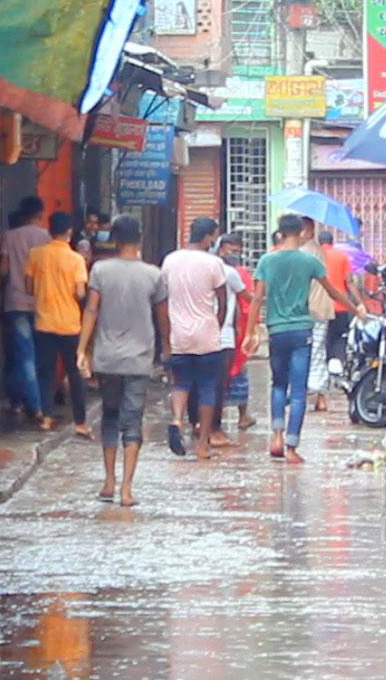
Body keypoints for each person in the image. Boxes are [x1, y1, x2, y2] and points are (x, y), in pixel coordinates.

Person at [78, 215, 168, 507]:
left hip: (108, 358)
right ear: (139, 239)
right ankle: (127, 489)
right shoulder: (153, 275)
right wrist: (166, 349)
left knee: (110, 416)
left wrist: (83, 349)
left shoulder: (100, 270)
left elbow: (91, 310)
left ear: (113, 239)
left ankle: (108, 481)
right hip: (139, 359)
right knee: (133, 421)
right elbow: (163, 318)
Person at [250, 214, 344, 463]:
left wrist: (252, 331)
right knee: (299, 389)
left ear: (280, 234)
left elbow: (257, 298)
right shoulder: (309, 260)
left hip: (276, 330)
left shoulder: (267, 261)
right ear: (301, 232)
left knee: (278, 384)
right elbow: (332, 290)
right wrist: (356, 309)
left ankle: (277, 436)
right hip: (302, 329)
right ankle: (292, 447)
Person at [160, 217, 243, 461]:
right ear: (208, 238)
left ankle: (176, 419)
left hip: (179, 333)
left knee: (181, 382)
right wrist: (216, 325)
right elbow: (223, 300)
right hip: (206, 333)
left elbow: (163, 298)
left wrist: (166, 336)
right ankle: (203, 444)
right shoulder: (213, 263)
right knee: (208, 386)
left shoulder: (170, 260)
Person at [26, 210, 91, 436]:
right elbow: (80, 293)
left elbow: (28, 287)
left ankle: (47, 416)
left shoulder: (36, 255)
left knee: (45, 372)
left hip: (44, 322)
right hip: (70, 325)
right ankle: (80, 422)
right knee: (75, 373)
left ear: (49, 230)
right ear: (70, 232)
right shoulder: (76, 260)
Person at [0, 196, 50, 423]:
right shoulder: (46, 237)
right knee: (34, 355)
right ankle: (36, 406)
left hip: (15, 302)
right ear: (40, 214)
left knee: (21, 354)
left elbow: (4, 270)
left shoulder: (9, 237)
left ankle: (22, 402)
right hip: (41, 304)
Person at [304, 224, 360, 410]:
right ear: (332, 242)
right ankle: (330, 375)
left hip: (314, 308)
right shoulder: (341, 256)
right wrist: (359, 305)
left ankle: (311, 390)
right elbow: (349, 283)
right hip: (339, 307)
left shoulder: (309, 255)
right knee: (336, 342)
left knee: (316, 348)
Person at [216, 234, 257, 435]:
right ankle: (240, 416)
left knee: (225, 375)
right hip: (231, 331)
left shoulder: (235, 272)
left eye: (237, 251)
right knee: (233, 373)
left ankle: (223, 418)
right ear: (221, 249)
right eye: (231, 250)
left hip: (233, 330)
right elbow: (250, 302)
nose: (234, 255)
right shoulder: (236, 273)